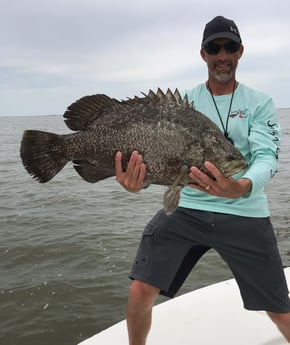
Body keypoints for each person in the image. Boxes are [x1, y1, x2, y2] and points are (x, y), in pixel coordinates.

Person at [114, 16, 290, 344]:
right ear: (203, 54)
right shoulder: (184, 103)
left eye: (230, 47)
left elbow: (267, 157)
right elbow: (160, 161)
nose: (222, 55)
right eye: (214, 47)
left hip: (244, 211)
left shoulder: (260, 103)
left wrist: (241, 186)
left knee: (280, 310)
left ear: (240, 52)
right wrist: (136, 181)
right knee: (139, 293)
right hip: (188, 210)